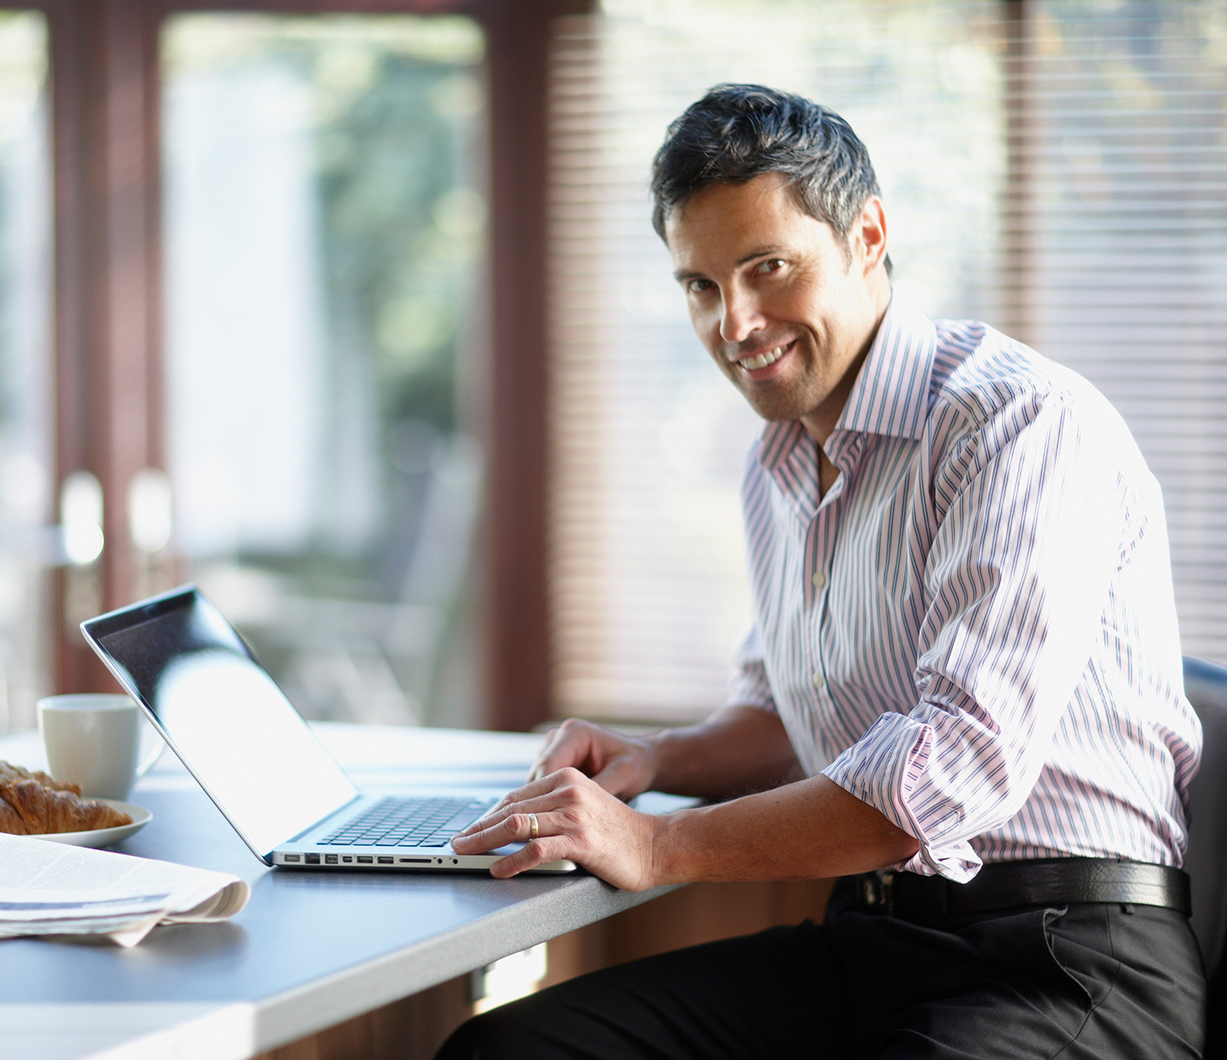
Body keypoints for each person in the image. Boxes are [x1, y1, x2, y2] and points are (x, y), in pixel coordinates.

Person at [437, 83, 1206, 1059]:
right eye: (702, 286)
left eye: (769, 268)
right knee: (513, 1051)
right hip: (877, 942)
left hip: (1066, 959)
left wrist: (661, 843)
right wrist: (656, 759)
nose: (737, 322)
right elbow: (787, 718)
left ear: (869, 235)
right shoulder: (780, 464)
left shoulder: (1016, 425)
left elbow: (949, 769)